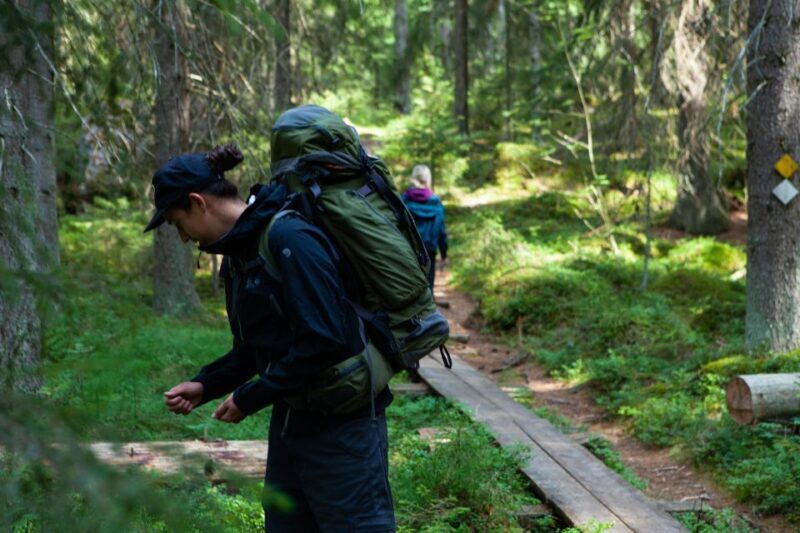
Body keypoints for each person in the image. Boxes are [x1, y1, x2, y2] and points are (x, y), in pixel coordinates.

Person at [148, 144, 396, 532]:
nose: (182, 237)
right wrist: (206, 383)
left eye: (178, 223)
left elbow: (325, 338)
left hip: (344, 425)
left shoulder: (289, 236)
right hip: (292, 421)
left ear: (198, 203)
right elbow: (255, 346)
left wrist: (251, 396)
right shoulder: (240, 254)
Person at [402, 164, 448, 290]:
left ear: (413, 179)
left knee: (409, 288)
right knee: (428, 288)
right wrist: (444, 252)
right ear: (428, 180)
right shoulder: (436, 202)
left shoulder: (403, 201)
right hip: (429, 251)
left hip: (408, 251)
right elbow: (441, 231)